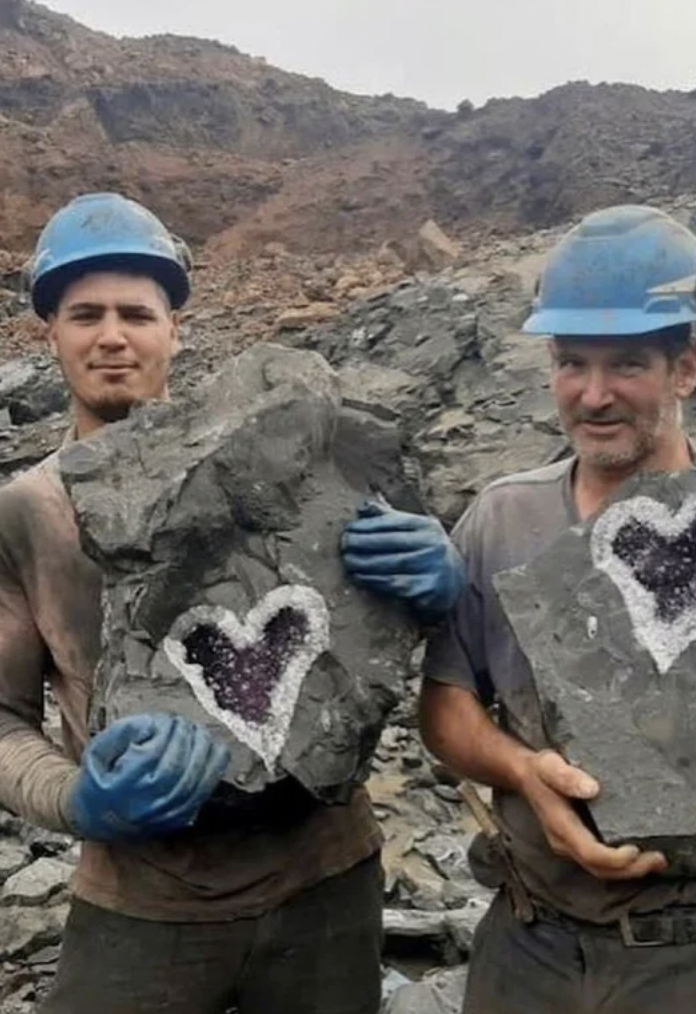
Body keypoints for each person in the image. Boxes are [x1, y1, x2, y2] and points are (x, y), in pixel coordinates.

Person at [0, 192, 464, 1014]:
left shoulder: (288, 464)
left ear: (176, 327)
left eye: (137, 313)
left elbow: (378, 654)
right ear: (51, 334)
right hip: (142, 897)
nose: (112, 336)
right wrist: (75, 799)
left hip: (325, 875)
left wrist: (445, 590)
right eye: (85, 314)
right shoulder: (27, 514)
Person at [419, 204, 696, 1014]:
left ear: (686, 366)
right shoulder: (502, 520)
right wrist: (519, 770)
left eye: (627, 364)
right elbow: (445, 703)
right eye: (570, 361)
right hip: (534, 942)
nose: (593, 394)